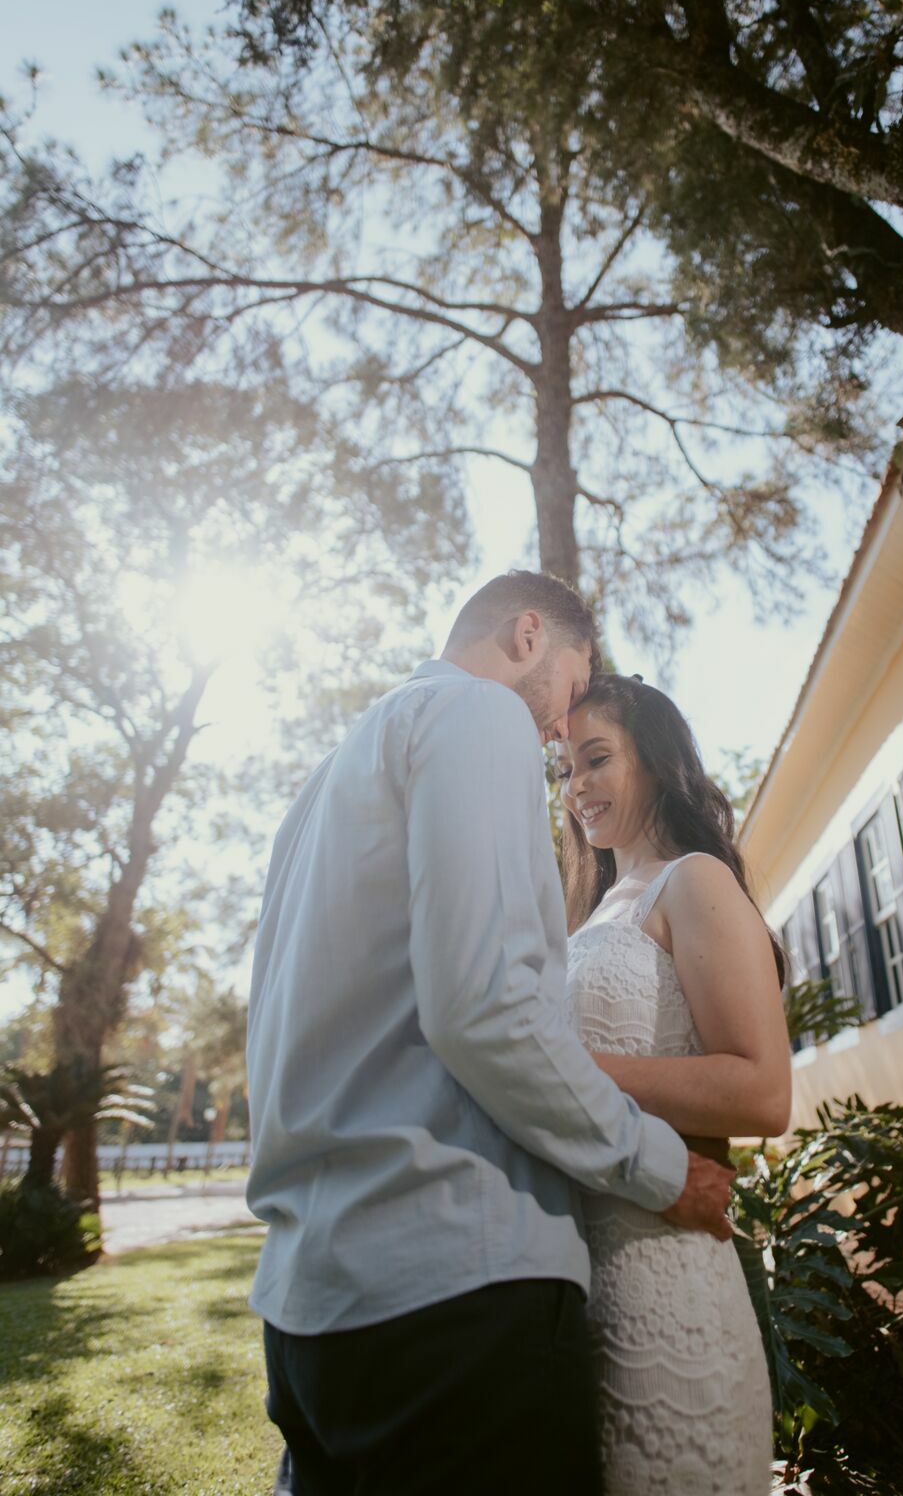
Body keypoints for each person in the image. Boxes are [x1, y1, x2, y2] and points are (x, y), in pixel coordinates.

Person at [245, 572, 736, 1496]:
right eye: (568, 686)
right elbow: (490, 1009)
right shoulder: (477, 718)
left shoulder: (326, 782)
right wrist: (660, 1170)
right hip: (448, 1299)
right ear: (526, 636)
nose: (557, 731)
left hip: (306, 1311)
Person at [556, 673, 791, 1496]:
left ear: (654, 761)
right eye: (564, 770)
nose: (577, 786)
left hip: (665, 1277)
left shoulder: (693, 881)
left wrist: (558, 1067)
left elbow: (764, 1092)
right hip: (569, 1283)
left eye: (596, 759)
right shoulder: (590, 915)